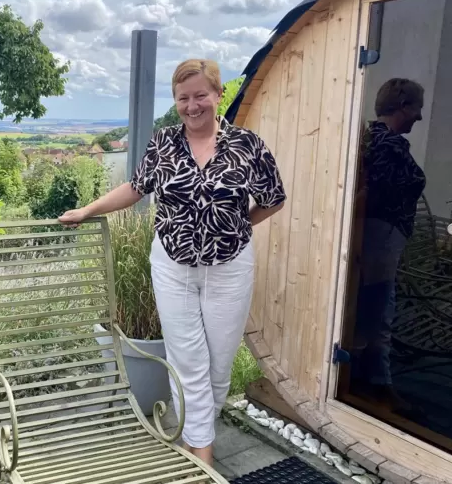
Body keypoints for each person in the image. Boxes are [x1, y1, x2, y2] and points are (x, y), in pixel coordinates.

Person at [58, 58, 287, 465]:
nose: (192, 105)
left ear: (219, 95)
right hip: (172, 266)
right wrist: (87, 211)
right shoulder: (163, 142)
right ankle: (201, 452)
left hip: (230, 268)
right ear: (176, 100)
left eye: (201, 95)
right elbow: (136, 187)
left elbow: (273, 199)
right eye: (183, 98)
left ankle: (194, 429)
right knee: (187, 358)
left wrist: (235, 226)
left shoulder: (248, 145)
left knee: (219, 362)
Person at [351, 78, 426, 413]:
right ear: (403, 107)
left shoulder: (374, 139)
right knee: (377, 310)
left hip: (381, 239)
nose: (419, 118)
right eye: (417, 109)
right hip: (379, 241)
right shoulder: (388, 145)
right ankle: (376, 389)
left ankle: (368, 384)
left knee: (374, 309)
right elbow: (370, 194)